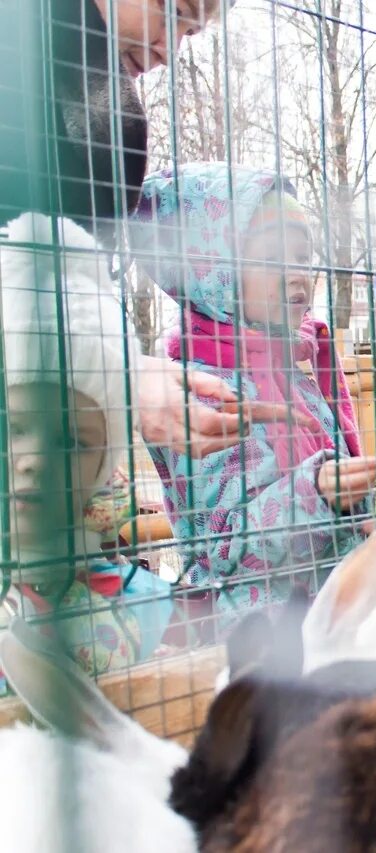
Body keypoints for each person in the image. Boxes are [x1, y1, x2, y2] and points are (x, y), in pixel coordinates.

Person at [2, 0, 255, 473]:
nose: (169, 49)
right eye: (172, 10)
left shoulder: (81, 91)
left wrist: (123, 369)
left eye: (190, 31)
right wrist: (122, 376)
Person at [129, 163, 373, 619]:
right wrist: (317, 491)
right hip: (260, 636)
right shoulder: (199, 392)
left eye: (302, 257)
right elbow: (226, 544)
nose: (298, 275)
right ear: (213, 272)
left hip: (332, 615)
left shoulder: (292, 370)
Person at [0, 212, 173, 683]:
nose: (35, 461)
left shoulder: (142, 613)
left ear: (104, 465)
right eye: (13, 427)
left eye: (72, 441)